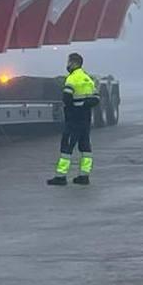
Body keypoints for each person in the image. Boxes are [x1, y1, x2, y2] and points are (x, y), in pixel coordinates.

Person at [47, 52, 100, 187]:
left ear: (74, 63)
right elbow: (96, 99)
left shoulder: (71, 79)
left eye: (69, 62)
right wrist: (83, 105)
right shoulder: (88, 79)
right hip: (86, 118)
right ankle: (84, 176)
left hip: (74, 119)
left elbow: (67, 98)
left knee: (67, 146)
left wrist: (73, 108)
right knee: (85, 147)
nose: (67, 65)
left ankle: (61, 177)